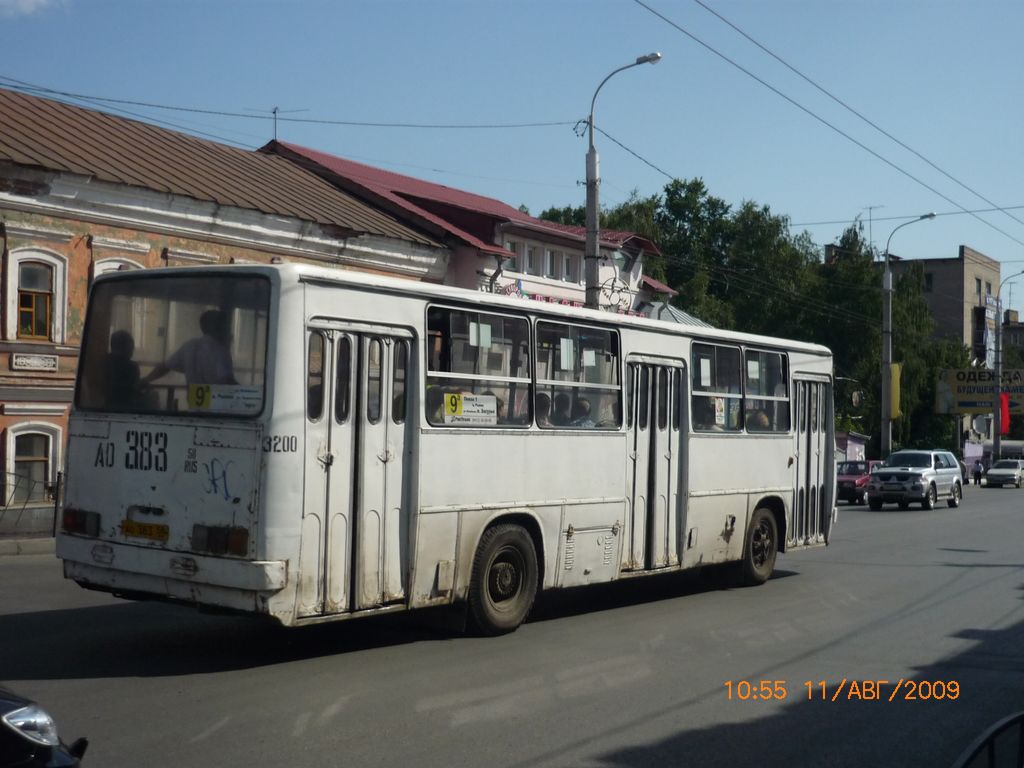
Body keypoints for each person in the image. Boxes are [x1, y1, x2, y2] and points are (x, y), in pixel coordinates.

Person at [143, 309, 236, 387]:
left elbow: (164, 367)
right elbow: (226, 381)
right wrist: (248, 394)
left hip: (194, 407)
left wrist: (144, 381)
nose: (230, 332)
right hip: (217, 406)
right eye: (227, 327)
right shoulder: (221, 351)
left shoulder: (189, 346)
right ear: (220, 328)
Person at [104, 330, 141, 409]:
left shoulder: (104, 361)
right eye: (131, 346)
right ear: (126, 348)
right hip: (127, 406)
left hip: (107, 404)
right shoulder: (132, 367)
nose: (132, 350)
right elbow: (134, 389)